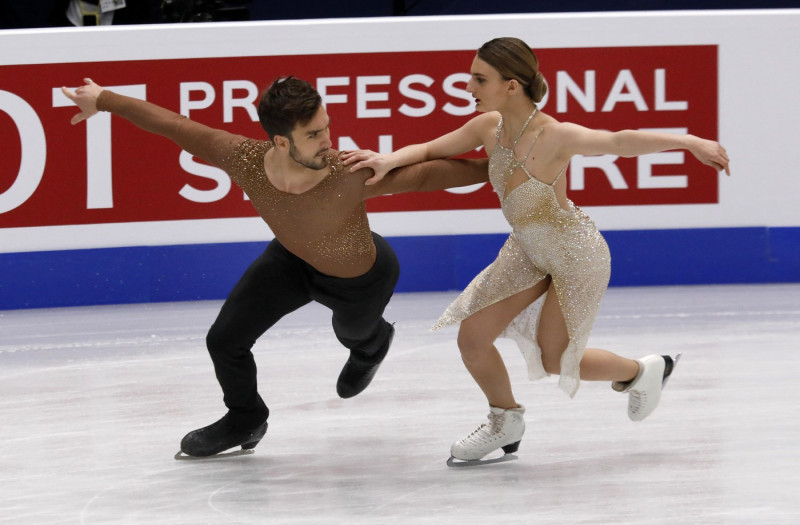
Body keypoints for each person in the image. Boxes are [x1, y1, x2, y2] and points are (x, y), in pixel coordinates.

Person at [342, 37, 730, 463]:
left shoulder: (555, 135)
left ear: (511, 85)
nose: (468, 86)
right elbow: (432, 149)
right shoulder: (488, 126)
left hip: (575, 255)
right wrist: (388, 160)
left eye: (479, 78)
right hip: (527, 250)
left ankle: (643, 371)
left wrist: (690, 141)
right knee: (472, 338)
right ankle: (505, 420)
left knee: (554, 360)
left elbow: (619, 141)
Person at [61, 76, 489, 458]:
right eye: (314, 134)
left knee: (353, 335)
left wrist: (506, 166)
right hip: (289, 261)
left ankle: (373, 343)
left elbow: (432, 174)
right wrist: (104, 99)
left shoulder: (349, 172)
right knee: (224, 340)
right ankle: (245, 418)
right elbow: (177, 127)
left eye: (326, 127)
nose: (328, 139)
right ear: (281, 142)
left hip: (360, 277)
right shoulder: (245, 158)